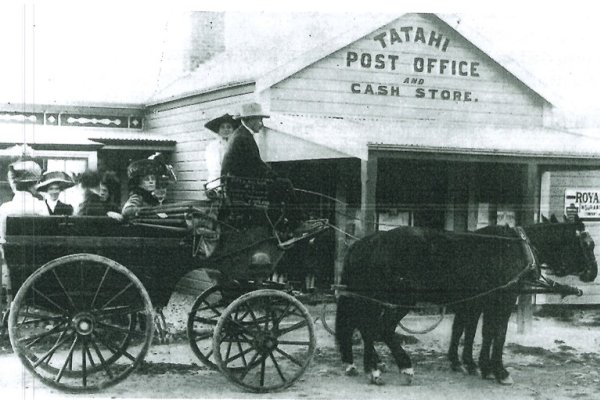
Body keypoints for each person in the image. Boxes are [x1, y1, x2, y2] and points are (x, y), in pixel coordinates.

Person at [220, 102, 273, 179]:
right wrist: (275, 175)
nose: (261, 124)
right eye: (260, 120)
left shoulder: (242, 133)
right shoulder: (243, 137)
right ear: (251, 120)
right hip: (236, 185)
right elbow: (256, 164)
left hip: (236, 182)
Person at [0, 159, 48, 243]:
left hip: (11, 253)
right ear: (32, 185)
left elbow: (2, 238)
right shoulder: (41, 207)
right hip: (36, 252)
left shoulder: (5, 208)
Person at [204, 113, 240, 194]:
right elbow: (214, 168)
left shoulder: (236, 145)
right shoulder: (213, 146)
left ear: (233, 130)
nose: (226, 130)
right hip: (217, 183)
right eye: (222, 127)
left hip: (235, 183)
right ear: (218, 130)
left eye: (229, 127)